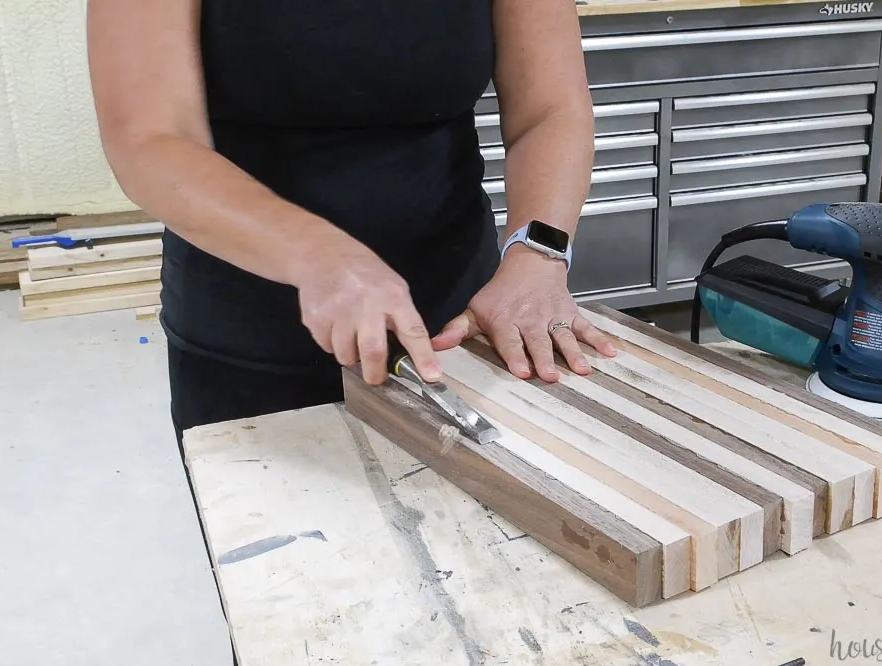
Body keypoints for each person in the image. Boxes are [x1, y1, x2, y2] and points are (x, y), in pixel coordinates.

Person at [86, 0, 618, 437]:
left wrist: (537, 254)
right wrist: (319, 255)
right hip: (252, 332)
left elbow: (549, 110)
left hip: (458, 326)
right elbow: (149, 138)